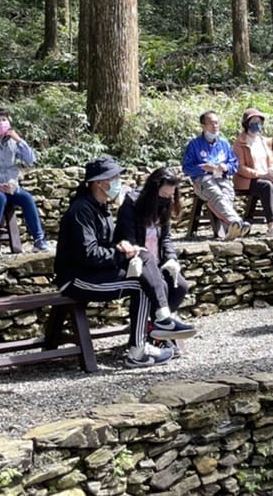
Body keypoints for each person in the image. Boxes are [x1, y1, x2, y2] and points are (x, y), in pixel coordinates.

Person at [55, 156, 197, 368]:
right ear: (98, 182)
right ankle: (143, 345)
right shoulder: (81, 210)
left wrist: (123, 248)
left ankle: (158, 325)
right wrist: (123, 253)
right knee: (141, 284)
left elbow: (106, 247)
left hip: (94, 272)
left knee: (145, 264)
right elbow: (89, 254)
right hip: (77, 279)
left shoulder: (100, 207)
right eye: (113, 177)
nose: (118, 181)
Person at [114, 166, 191, 354]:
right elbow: (128, 239)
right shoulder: (132, 203)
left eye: (170, 195)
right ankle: (157, 328)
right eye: (164, 195)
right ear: (154, 189)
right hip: (137, 262)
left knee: (181, 286)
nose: (166, 199)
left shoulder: (165, 204)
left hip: (157, 260)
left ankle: (155, 328)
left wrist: (172, 259)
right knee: (160, 286)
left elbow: (166, 237)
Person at [0, 107, 49, 256]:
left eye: (4, 119)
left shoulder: (13, 141)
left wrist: (19, 140)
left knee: (26, 198)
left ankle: (39, 239)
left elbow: (31, 160)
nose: (1, 123)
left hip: (10, 187)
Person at [181, 110, 248, 239]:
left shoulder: (224, 143)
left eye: (217, 123)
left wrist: (226, 167)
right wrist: (203, 167)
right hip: (203, 179)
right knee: (215, 193)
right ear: (203, 126)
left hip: (221, 177)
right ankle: (235, 222)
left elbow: (234, 164)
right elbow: (186, 168)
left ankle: (229, 228)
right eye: (211, 123)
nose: (215, 126)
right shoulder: (194, 145)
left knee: (228, 193)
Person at [233, 108, 273, 236]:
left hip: (265, 176)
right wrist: (260, 175)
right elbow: (240, 168)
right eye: (253, 121)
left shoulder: (265, 141)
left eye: (259, 121)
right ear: (246, 123)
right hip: (247, 180)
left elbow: (270, 162)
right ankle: (272, 224)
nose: (257, 124)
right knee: (266, 186)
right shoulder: (239, 143)